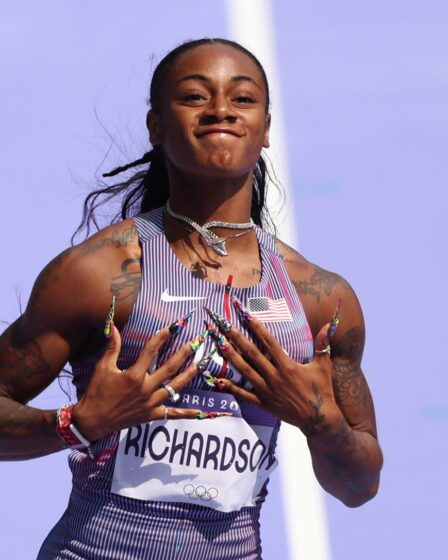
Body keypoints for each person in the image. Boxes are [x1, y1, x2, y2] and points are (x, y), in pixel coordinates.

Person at [0, 38, 383, 559]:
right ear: (155, 127)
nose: (220, 109)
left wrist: (320, 421)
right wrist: (78, 423)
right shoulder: (99, 274)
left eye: (242, 98)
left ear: (266, 129)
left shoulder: (318, 301)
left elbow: (360, 487)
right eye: (195, 96)